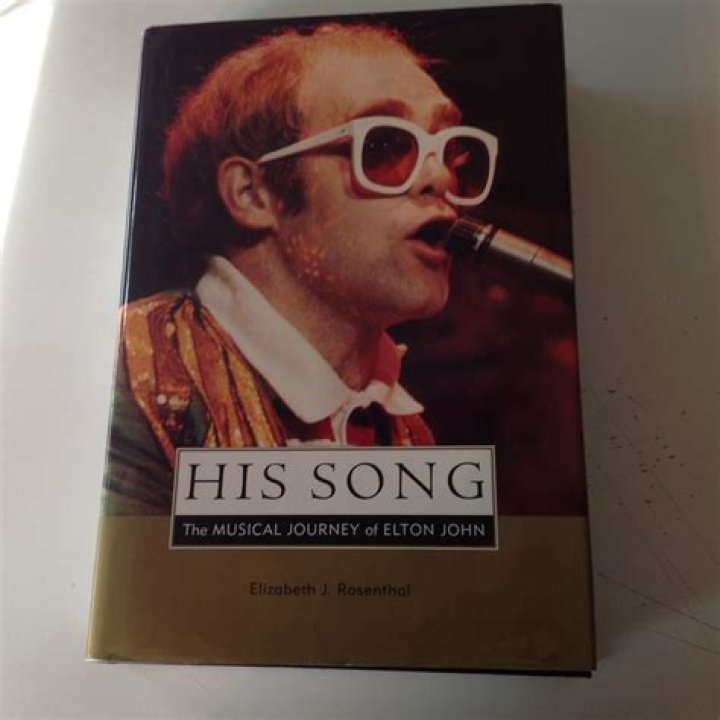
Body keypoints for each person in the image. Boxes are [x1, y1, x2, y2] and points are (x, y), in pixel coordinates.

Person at [104, 22, 498, 514]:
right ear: (253, 194)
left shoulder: (405, 429)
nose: (440, 177)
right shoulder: (127, 376)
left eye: (451, 149)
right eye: (384, 145)